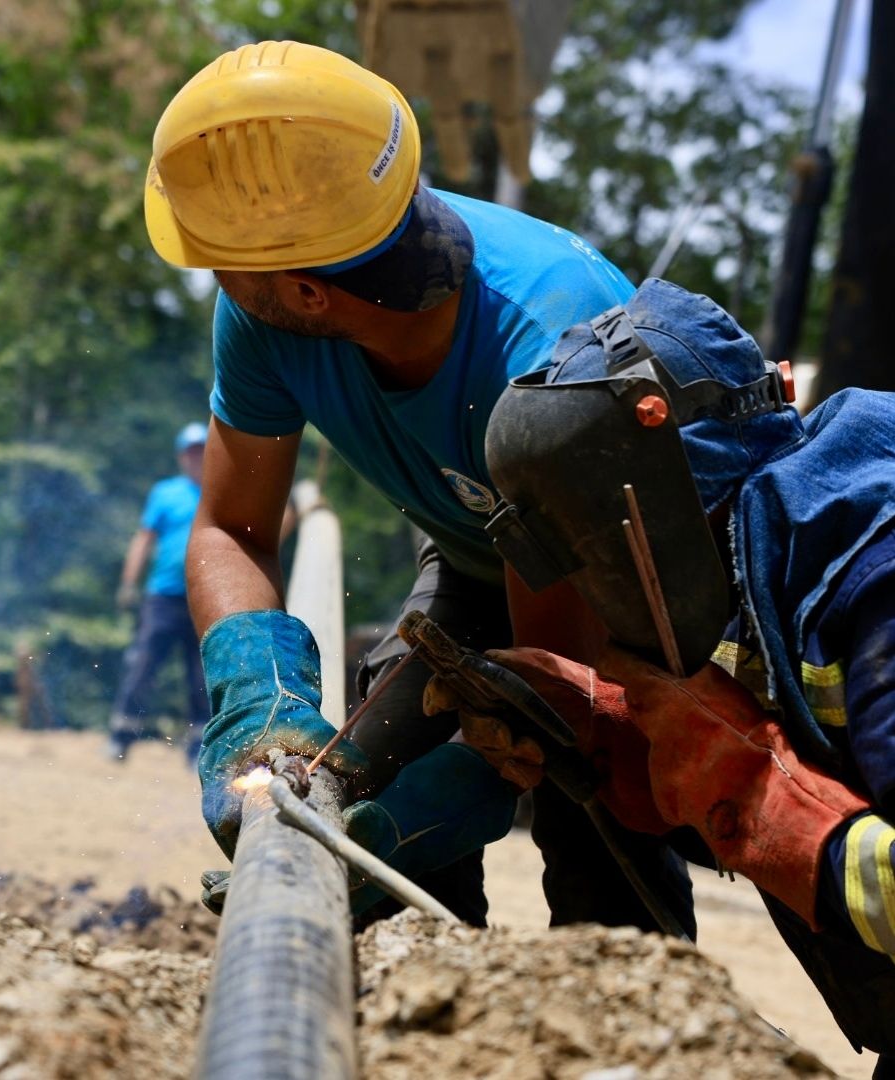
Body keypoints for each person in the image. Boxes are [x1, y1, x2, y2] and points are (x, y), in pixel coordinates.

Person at [144, 39, 696, 933]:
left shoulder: (552, 349)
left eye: (225, 266)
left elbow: (552, 683)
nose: (217, 283)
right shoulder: (269, 307)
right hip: (492, 553)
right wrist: (258, 694)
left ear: (310, 293)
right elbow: (233, 530)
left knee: (594, 802)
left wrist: (406, 815)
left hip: (636, 596)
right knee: (370, 767)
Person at [446, 278, 895, 1074]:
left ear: (656, 511)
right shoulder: (785, 546)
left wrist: (767, 802)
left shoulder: (875, 581)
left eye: (597, 561)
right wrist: (622, 740)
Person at [107, 422, 209, 763]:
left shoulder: (221, 491)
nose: (197, 458)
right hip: (162, 597)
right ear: (182, 457)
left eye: (202, 451)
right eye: (191, 452)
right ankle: (121, 736)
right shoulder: (165, 493)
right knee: (143, 665)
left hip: (204, 598)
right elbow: (144, 539)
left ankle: (197, 747)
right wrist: (128, 582)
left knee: (201, 676)